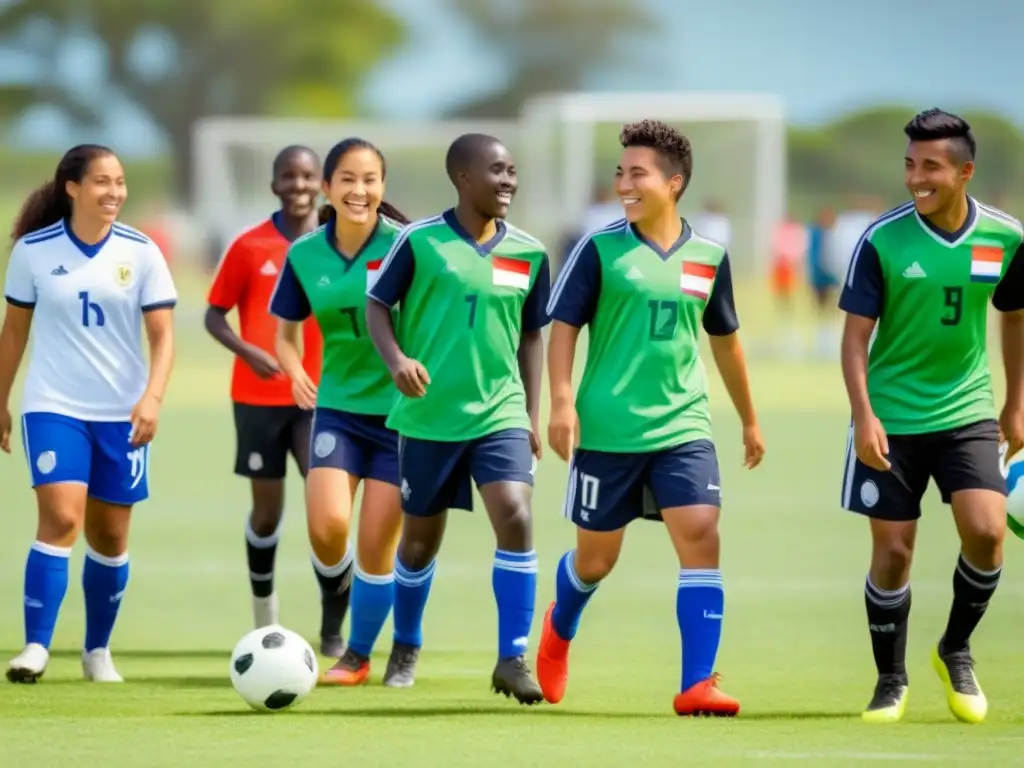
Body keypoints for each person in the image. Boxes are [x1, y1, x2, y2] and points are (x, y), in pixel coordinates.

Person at [538, 119, 765, 716]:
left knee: (701, 534)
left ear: (674, 182)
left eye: (636, 173)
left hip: (683, 426)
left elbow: (725, 341)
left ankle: (697, 684)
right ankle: (559, 626)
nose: (623, 184)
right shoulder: (599, 248)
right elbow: (563, 329)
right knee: (596, 560)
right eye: (620, 173)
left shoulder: (710, 256)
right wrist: (561, 401)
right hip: (608, 429)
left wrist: (748, 418)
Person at [838, 108, 1024, 725]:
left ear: (965, 171)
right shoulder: (882, 239)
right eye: (910, 164)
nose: (917, 177)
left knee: (989, 533)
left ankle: (955, 647)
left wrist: (1016, 403)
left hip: (967, 410)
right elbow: (854, 340)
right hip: (890, 415)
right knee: (893, 553)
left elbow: (1015, 314)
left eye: (932, 167)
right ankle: (891, 680)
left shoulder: (1007, 238)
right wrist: (864, 416)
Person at [366, 133, 550, 702]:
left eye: (513, 171)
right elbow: (376, 305)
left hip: (500, 414)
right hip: (429, 418)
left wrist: (530, 415)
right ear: (463, 177)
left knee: (516, 517)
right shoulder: (418, 242)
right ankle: (406, 641)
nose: (509, 181)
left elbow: (532, 334)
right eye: (497, 170)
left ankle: (512, 657)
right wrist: (397, 361)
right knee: (420, 543)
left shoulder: (530, 251)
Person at [0, 144, 177, 683]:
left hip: (122, 415)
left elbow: (163, 336)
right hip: (53, 405)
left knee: (110, 536)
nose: (114, 192)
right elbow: (14, 332)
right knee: (61, 519)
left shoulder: (142, 251)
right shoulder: (33, 251)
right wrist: (1, 400)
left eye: (120, 182)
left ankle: (97, 651)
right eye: (102, 182)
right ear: (72, 188)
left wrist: (151, 398)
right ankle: (35, 647)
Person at [269, 138, 410, 686]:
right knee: (328, 528)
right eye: (348, 179)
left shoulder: (406, 247)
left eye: (371, 179)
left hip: (400, 415)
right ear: (327, 188)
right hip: (337, 409)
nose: (360, 190)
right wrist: (295, 369)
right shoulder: (304, 254)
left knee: (378, 545)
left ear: (382, 187)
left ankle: (366, 651)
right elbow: (285, 334)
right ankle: (345, 608)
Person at [204, 146, 331, 643]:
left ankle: (332, 628)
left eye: (307, 176)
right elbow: (214, 313)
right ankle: (265, 622)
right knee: (266, 512)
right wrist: (249, 351)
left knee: (326, 514)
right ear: (274, 185)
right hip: (257, 398)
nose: (299, 185)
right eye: (288, 177)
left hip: (319, 399)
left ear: (321, 183)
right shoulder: (249, 246)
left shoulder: (335, 245)